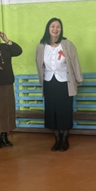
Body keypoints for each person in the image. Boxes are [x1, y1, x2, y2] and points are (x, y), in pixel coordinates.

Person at [35, 18, 83, 152]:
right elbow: (38, 63)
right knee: (52, 111)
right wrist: (41, 79)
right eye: (52, 26)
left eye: (58, 27)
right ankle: (57, 139)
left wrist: (78, 78)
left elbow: (75, 61)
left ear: (61, 29)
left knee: (65, 111)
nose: (55, 29)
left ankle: (65, 139)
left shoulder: (67, 44)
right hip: (49, 82)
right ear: (48, 28)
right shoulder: (41, 46)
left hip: (65, 82)